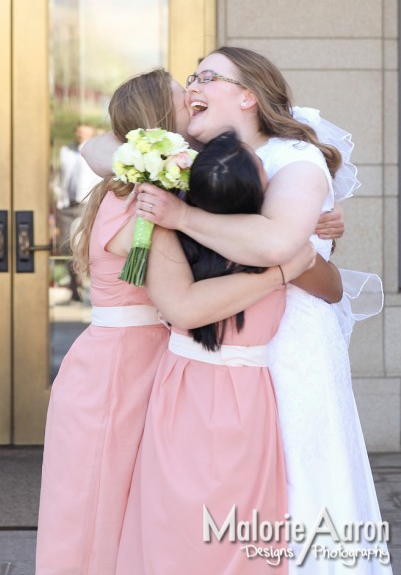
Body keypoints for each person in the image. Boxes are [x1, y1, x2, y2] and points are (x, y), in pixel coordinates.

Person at [35, 68, 315, 575]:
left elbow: (101, 149)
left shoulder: (137, 182)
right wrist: (283, 258)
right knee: (94, 516)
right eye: (183, 101)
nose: (195, 100)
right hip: (117, 375)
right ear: (161, 124)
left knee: (123, 518)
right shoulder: (150, 197)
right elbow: (187, 296)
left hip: (133, 363)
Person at [131, 47, 391, 573]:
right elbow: (101, 147)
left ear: (248, 95)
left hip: (288, 347)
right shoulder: (182, 158)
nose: (193, 87)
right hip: (218, 352)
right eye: (192, 77)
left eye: (207, 76)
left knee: (300, 485)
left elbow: (277, 244)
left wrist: (180, 216)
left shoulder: (295, 159)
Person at [115, 130, 304, 574]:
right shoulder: (276, 251)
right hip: (231, 392)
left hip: (191, 388)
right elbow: (184, 307)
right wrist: (282, 272)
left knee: (184, 521)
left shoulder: (269, 243)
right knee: (237, 527)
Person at [55, 123, 102, 300]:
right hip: (67, 204)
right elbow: (62, 176)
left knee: (86, 245)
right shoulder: (66, 152)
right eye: (79, 130)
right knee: (66, 245)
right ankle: (74, 287)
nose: (81, 133)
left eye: (85, 129)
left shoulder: (95, 152)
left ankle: (90, 287)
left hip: (87, 204)